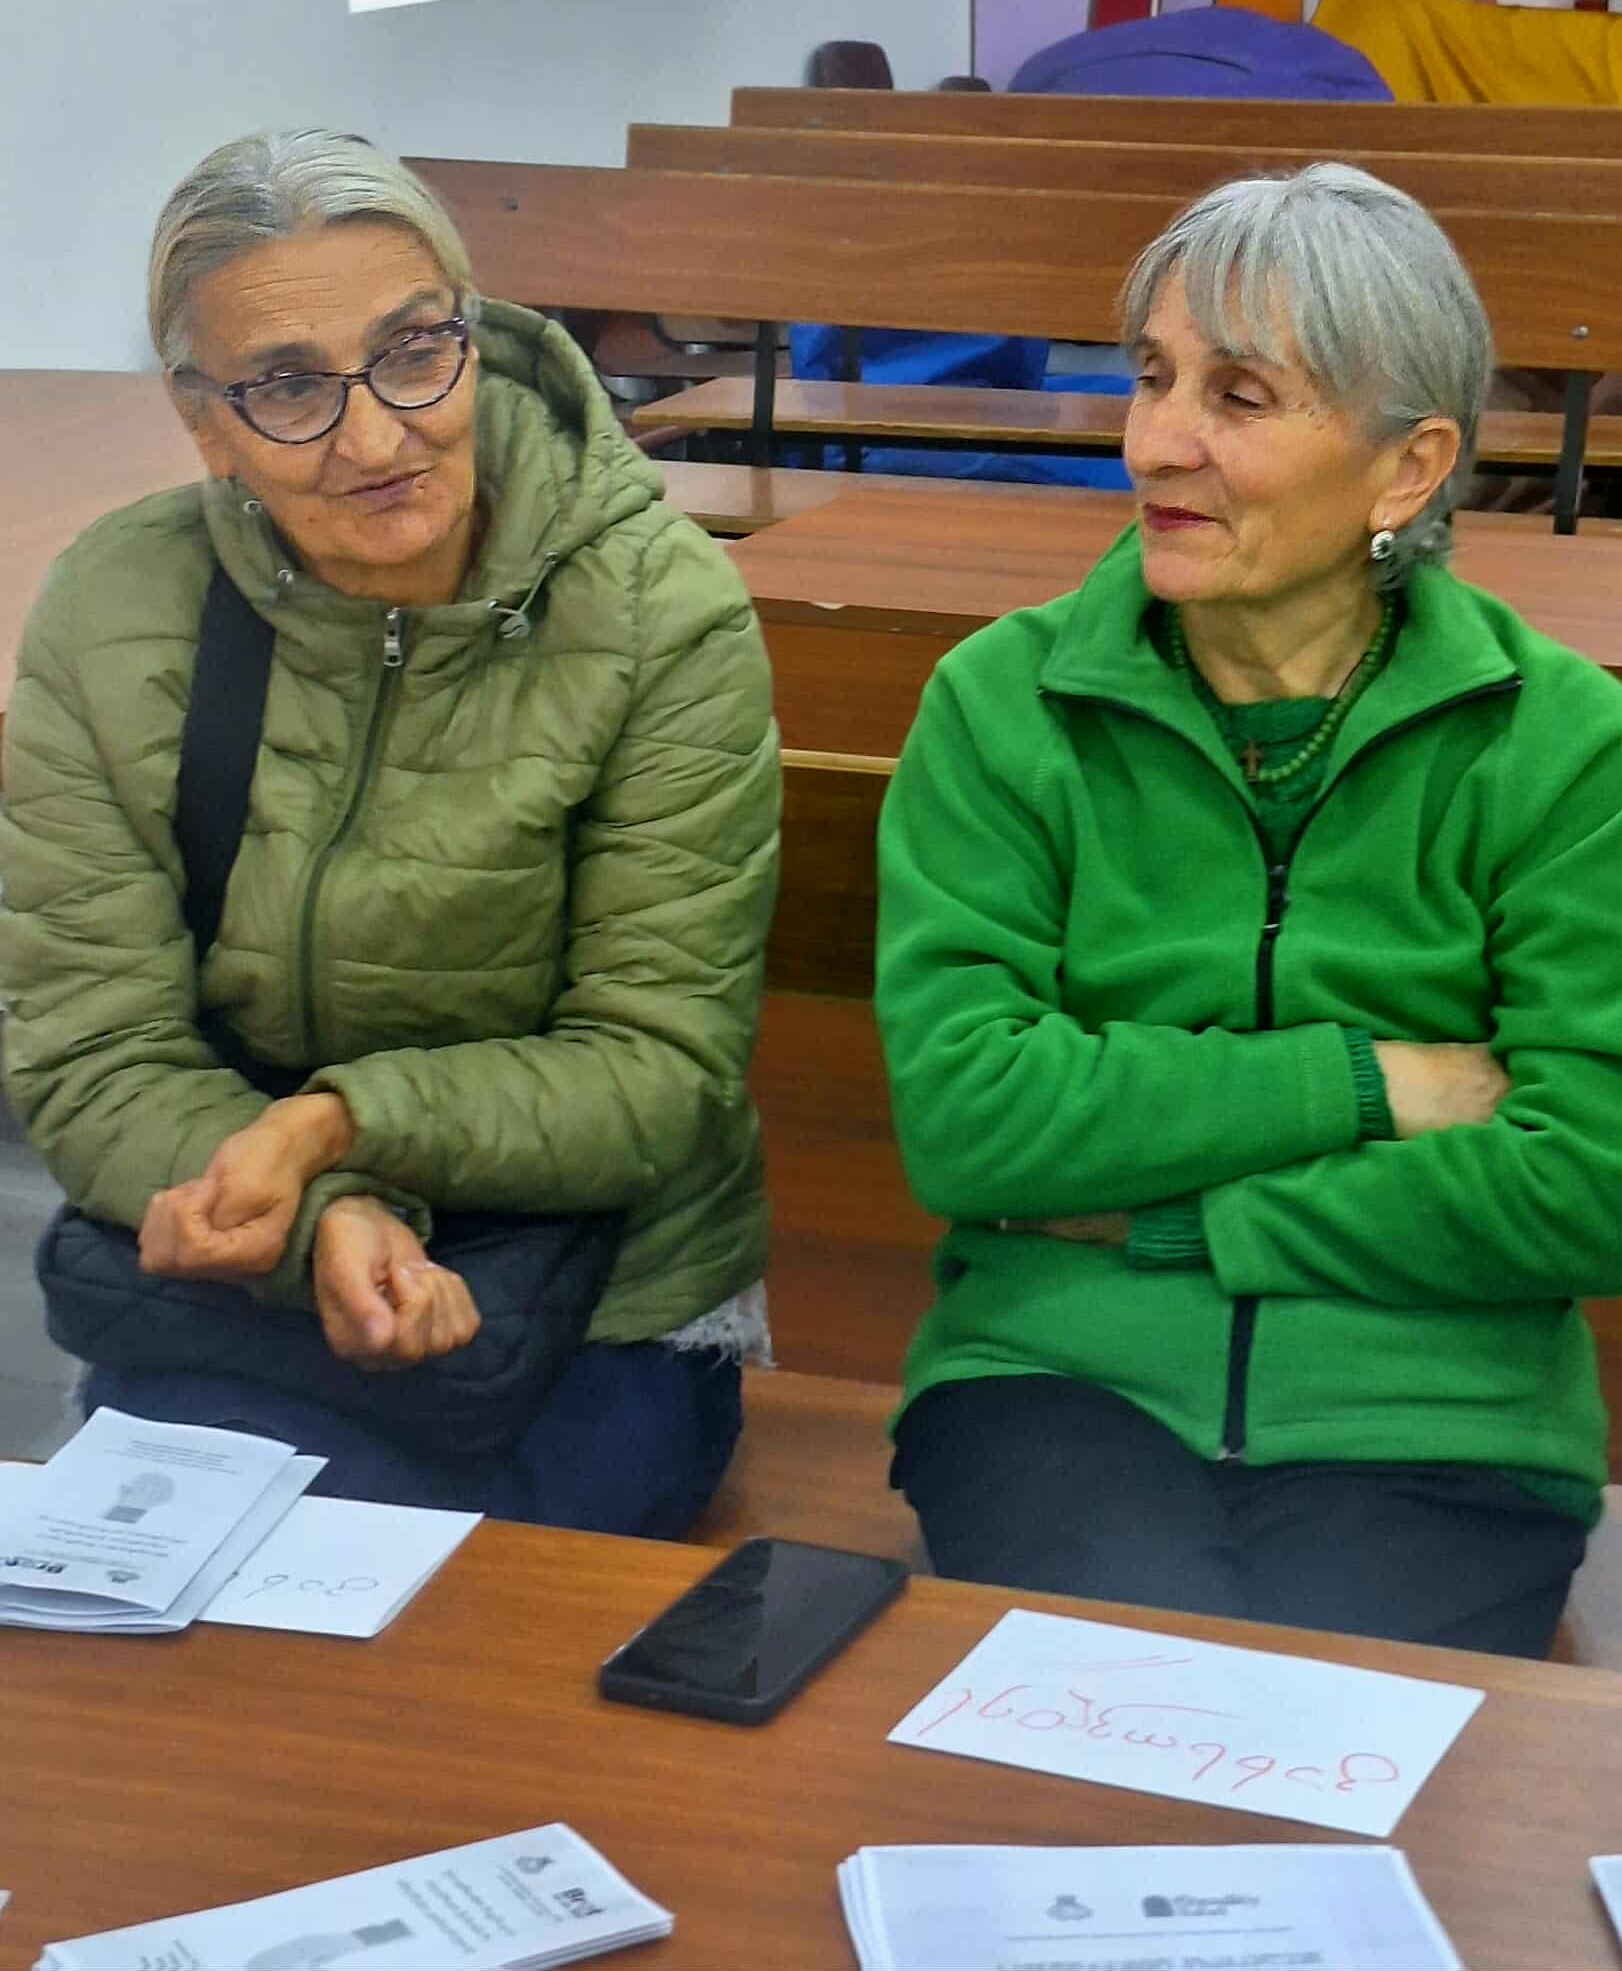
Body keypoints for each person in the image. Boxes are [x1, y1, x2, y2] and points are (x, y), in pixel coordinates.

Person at [875, 162, 1622, 1658]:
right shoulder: (1001, 704)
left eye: (1239, 396)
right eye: (1151, 377)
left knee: (1322, 1731)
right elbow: (968, 1120)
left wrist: (1160, 1218)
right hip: (1054, 1385)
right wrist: (1369, 1081)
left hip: (1441, 1418)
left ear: (1406, 468)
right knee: (1127, 1714)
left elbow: (1589, 1183)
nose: (1157, 441)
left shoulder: (1559, 746)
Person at [0, 129, 778, 1531]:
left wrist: (338, 1127)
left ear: (472, 337)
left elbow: (660, 1065)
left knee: (483, 1628)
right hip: (249, 1270)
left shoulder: (659, 610)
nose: (374, 439)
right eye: (288, 386)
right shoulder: (115, 611)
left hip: (596, 1285)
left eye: (414, 353)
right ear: (202, 417)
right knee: (189, 1619)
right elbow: (92, 1047)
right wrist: (318, 1216)